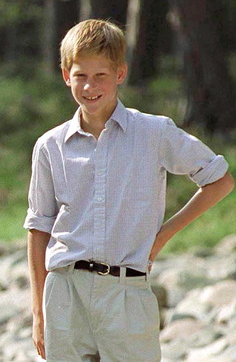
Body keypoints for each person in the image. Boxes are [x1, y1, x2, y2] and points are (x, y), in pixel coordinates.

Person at [25, 19, 234, 361]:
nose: (90, 86)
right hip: (64, 292)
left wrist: (161, 237)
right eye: (80, 75)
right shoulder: (50, 146)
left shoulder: (153, 132)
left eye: (100, 75)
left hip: (127, 292)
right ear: (66, 75)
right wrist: (38, 313)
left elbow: (220, 180)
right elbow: (39, 228)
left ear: (120, 74)